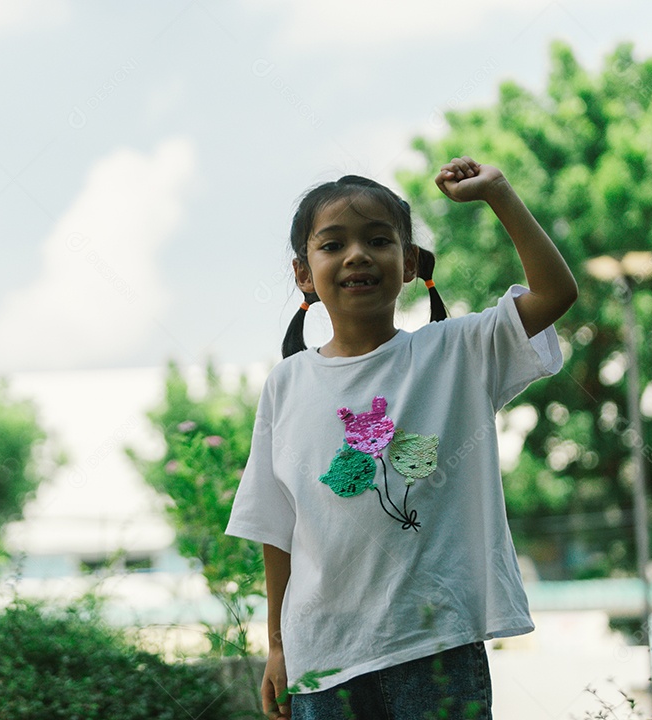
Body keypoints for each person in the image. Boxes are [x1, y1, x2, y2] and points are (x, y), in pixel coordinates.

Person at [225, 156, 578, 719]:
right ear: (303, 274)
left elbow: (556, 292)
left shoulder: (457, 352)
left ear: (409, 261)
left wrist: (498, 192)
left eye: (378, 240)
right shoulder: (285, 385)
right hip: (323, 663)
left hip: (437, 649)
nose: (357, 255)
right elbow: (277, 528)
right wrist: (277, 646)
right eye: (333, 244)